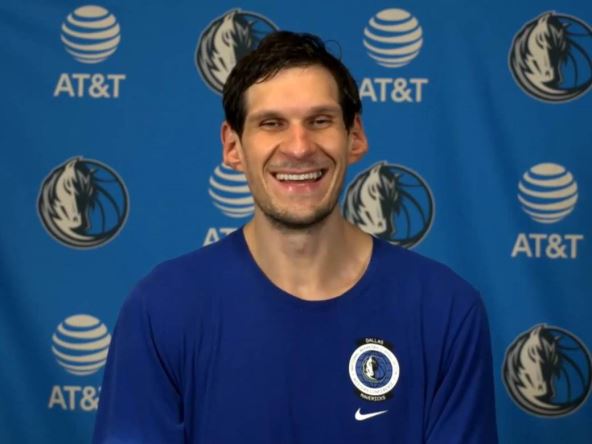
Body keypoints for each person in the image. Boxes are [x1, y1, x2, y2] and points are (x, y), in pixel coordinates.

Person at [93, 31, 498, 443]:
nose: (300, 147)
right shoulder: (162, 308)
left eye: (320, 121)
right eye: (271, 124)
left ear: (355, 136)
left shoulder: (445, 308)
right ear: (233, 147)